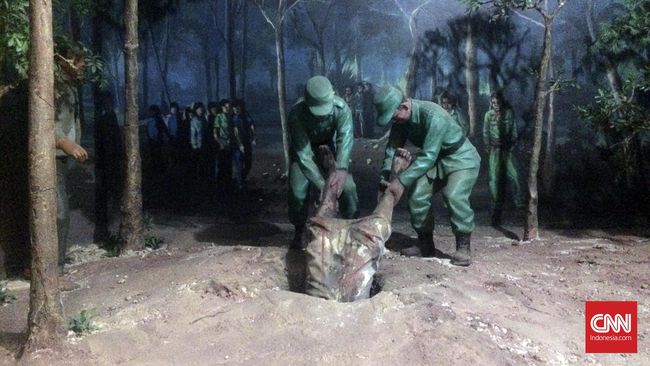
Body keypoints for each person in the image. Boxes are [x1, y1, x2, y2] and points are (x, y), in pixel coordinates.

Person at [374, 85, 480, 266]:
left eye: (394, 116)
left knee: (453, 195)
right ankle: (425, 244)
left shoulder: (433, 115)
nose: (394, 121)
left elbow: (428, 156)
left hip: (462, 158)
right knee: (417, 196)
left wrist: (400, 181)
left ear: (404, 107)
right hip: (437, 160)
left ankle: (463, 246)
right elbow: (391, 149)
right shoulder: (400, 122)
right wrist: (385, 176)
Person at [288, 75, 359, 249]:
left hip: (330, 150)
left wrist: (341, 169)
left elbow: (346, 139)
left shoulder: (341, 109)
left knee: (348, 187)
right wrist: (323, 187)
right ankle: (299, 231)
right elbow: (304, 156)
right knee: (297, 191)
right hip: (304, 153)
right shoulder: (297, 114)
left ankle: (352, 229)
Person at [55, 51, 89, 274]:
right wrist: (64, 143)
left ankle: (56, 267)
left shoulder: (71, 89)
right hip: (50, 157)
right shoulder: (52, 88)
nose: (83, 67)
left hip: (61, 159)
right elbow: (42, 124)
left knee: (61, 211)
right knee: (58, 213)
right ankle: (53, 270)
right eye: (79, 62)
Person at [483, 91, 523, 226]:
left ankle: (519, 203)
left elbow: (514, 130)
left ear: (502, 102)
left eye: (498, 102)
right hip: (494, 150)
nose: (495, 105)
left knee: (515, 176)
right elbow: (485, 132)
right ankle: (495, 205)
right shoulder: (488, 115)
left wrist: (512, 145)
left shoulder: (508, 114)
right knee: (493, 179)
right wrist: (487, 147)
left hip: (506, 150)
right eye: (493, 103)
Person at [94, 92, 123, 243]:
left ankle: (110, 230)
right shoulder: (103, 118)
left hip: (111, 161)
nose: (108, 104)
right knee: (106, 194)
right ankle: (105, 230)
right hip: (105, 161)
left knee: (112, 194)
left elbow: (116, 140)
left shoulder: (109, 118)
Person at [231, 99, 256, 188]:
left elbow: (252, 126)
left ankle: (241, 180)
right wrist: (240, 144)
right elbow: (236, 133)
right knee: (239, 164)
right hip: (237, 145)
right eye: (234, 108)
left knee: (249, 163)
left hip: (247, 143)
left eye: (237, 108)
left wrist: (253, 138)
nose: (236, 110)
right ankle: (240, 184)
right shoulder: (234, 118)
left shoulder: (246, 115)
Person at [213, 99, 232, 191]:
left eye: (229, 107)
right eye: (226, 107)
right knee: (222, 166)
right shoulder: (219, 117)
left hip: (230, 144)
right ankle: (219, 186)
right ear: (222, 107)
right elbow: (215, 133)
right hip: (222, 144)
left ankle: (228, 186)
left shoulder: (231, 116)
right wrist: (221, 143)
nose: (227, 108)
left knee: (229, 165)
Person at [146, 104, 171, 174]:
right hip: (154, 142)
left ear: (154, 111)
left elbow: (164, 129)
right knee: (155, 156)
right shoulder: (151, 121)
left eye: (151, 111)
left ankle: (159, 170)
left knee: (157, 156)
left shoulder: (158, 120)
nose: (150, 113)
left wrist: (168, 137)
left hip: (157, 141)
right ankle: (157, 169)